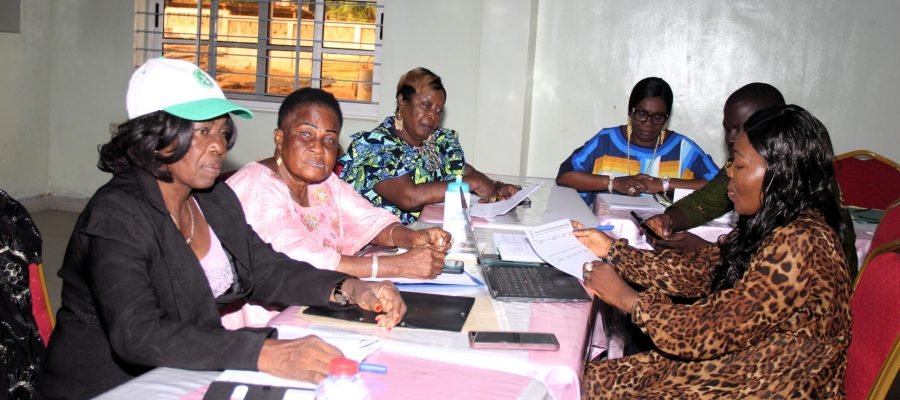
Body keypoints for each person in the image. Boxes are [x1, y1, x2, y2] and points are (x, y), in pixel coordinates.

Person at [37, 58, 406, 400]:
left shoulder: (212, 198)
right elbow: (138, 333)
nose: (218, 145)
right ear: (154, 135)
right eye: (201, 131)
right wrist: (263, 352)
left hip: (189, 369)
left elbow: (264, 266)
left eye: (221, 130)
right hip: (115, 387)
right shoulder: (117, 215)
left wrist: (347, 287)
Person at [575, 105, 852, 398]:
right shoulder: (774, 224)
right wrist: (612, 251)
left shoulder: (802, 242)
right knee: (585, 381)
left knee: (589, 387)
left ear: (780, 175)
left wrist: (627, 298)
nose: (728, 174)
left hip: (771, 386)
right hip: (741, 369)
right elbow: (699, 270)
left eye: (739, 165)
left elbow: (710, 330)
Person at [227, 87, 451, 280]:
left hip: (319, 295)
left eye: (329, 139)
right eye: (306, 134)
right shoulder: (257, 186)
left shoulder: (322, 183)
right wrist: (398, 266)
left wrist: (413, 237)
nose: (318, 148)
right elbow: (296, 259)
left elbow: (368, 219)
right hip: (269, 313)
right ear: (279, 138)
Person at [644, 83, 858, 276]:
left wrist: (707, 250)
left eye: (740, 128)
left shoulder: (807, 203)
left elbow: (767, 271)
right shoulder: (748, 171)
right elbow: (704, 202)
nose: (730, 137)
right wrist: (668, 220)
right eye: (727, 129)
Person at [338, 67, 520, 224]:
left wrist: (496, 187)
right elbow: (409, 197)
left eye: (438, 110)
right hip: (376, 244)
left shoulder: (435, 142)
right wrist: (473, 184)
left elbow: (464, 171)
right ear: (402, 102)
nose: (433, 115)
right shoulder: (374, 147)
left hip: (423, 236)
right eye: (426, 105)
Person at [556, 77, 719, 205]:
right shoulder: (606, 141)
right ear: (630, 112)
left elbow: (719, 185)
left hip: (662, 233)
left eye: (657, 117)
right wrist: (615, 183)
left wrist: (663, 184)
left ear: (666, 118)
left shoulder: (682, 149)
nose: (648, 123)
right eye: (641, 114)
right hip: (606, 229)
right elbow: (565, 176)